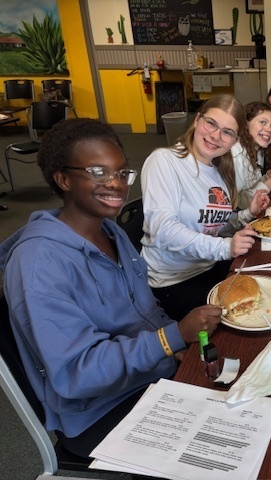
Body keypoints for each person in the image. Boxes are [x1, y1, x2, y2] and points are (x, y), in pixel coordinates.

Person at [0, 118, 222, 458]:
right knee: (219, 451)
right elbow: (78, 373)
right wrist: (171, 338)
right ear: (63, 179)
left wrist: (176, 346)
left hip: (150, 374)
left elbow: (144, 311)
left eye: (121, 173)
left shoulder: (110, 231)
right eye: (98, 172)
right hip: (99, 410)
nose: (117, 184)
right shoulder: (38, 265)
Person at [141, 94, 270, 321]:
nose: (216, 136)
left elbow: (211, 228)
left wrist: (247, 214)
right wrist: (225, 248)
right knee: (240, 322)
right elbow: (163, 230)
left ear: (235, 139)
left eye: (227, 132)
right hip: (173, 282)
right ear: (197, 120)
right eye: (211, 123)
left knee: (264, 289)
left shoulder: (220, 171)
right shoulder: (164, 161)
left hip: (211, 269)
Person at [231, 101, 271, 209]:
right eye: (263, 122)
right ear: (246, 123)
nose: (269, 129)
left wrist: (267, 177)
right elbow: (238, 204)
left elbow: (249, 189)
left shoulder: (258, 150)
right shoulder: (236, 154)